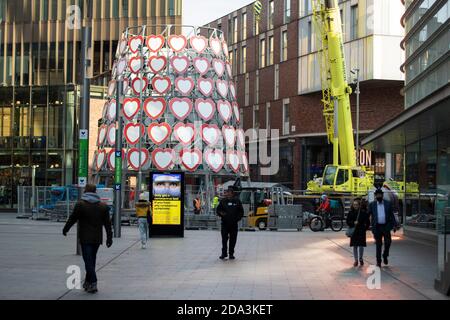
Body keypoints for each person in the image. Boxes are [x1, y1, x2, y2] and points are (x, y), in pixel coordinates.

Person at [62, 184, 112, 293]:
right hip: (97, 238)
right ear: (95, 192)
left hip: (85, 238)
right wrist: (109, 238)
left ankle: (93, 282)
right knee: (91, 260)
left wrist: (65, 229)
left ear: (86, 191)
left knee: (88, 261)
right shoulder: (103, 206)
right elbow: (108, 224)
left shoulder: (80, 205)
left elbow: (72, 218)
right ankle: (88, 282)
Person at [368, 188, 398, 267]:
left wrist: (395, 225)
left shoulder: (388, 204)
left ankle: (385, 255)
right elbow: (368, 215)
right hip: (377, 227)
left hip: (386, 226)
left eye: (380, 194)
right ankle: (378, 261)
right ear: (375, 196)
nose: (379, 196)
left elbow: (391, 215)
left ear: (382, 195)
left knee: (388, 242)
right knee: (378, 245)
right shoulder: (372, 205)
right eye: (377, 195)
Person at [216, 186, 244, 260]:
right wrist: (222, 214)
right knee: (224, 239)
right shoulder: (223, 201)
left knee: (233, 239)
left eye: (229, 192)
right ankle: (224, 253)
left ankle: (231, 253)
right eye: (227, 192)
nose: (227, 194)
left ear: (232, 193)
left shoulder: (237, 201)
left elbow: (241, 212)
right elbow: (218, 210)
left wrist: (237, 219)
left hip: (234, 224)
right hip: (225, 224)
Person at [346, 198, 370, 267]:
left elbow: (367, 222)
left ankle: (361, 258)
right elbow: (348, 221)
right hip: (354, 231)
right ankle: (356, 260)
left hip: (361, 231)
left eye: (356, 205)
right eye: (354, 205)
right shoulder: (350, 213)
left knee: (361, 246)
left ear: (359, 205)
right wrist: (353, 223)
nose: (355, 206)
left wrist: (365, 228)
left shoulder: (363, 212)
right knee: (355, 246)